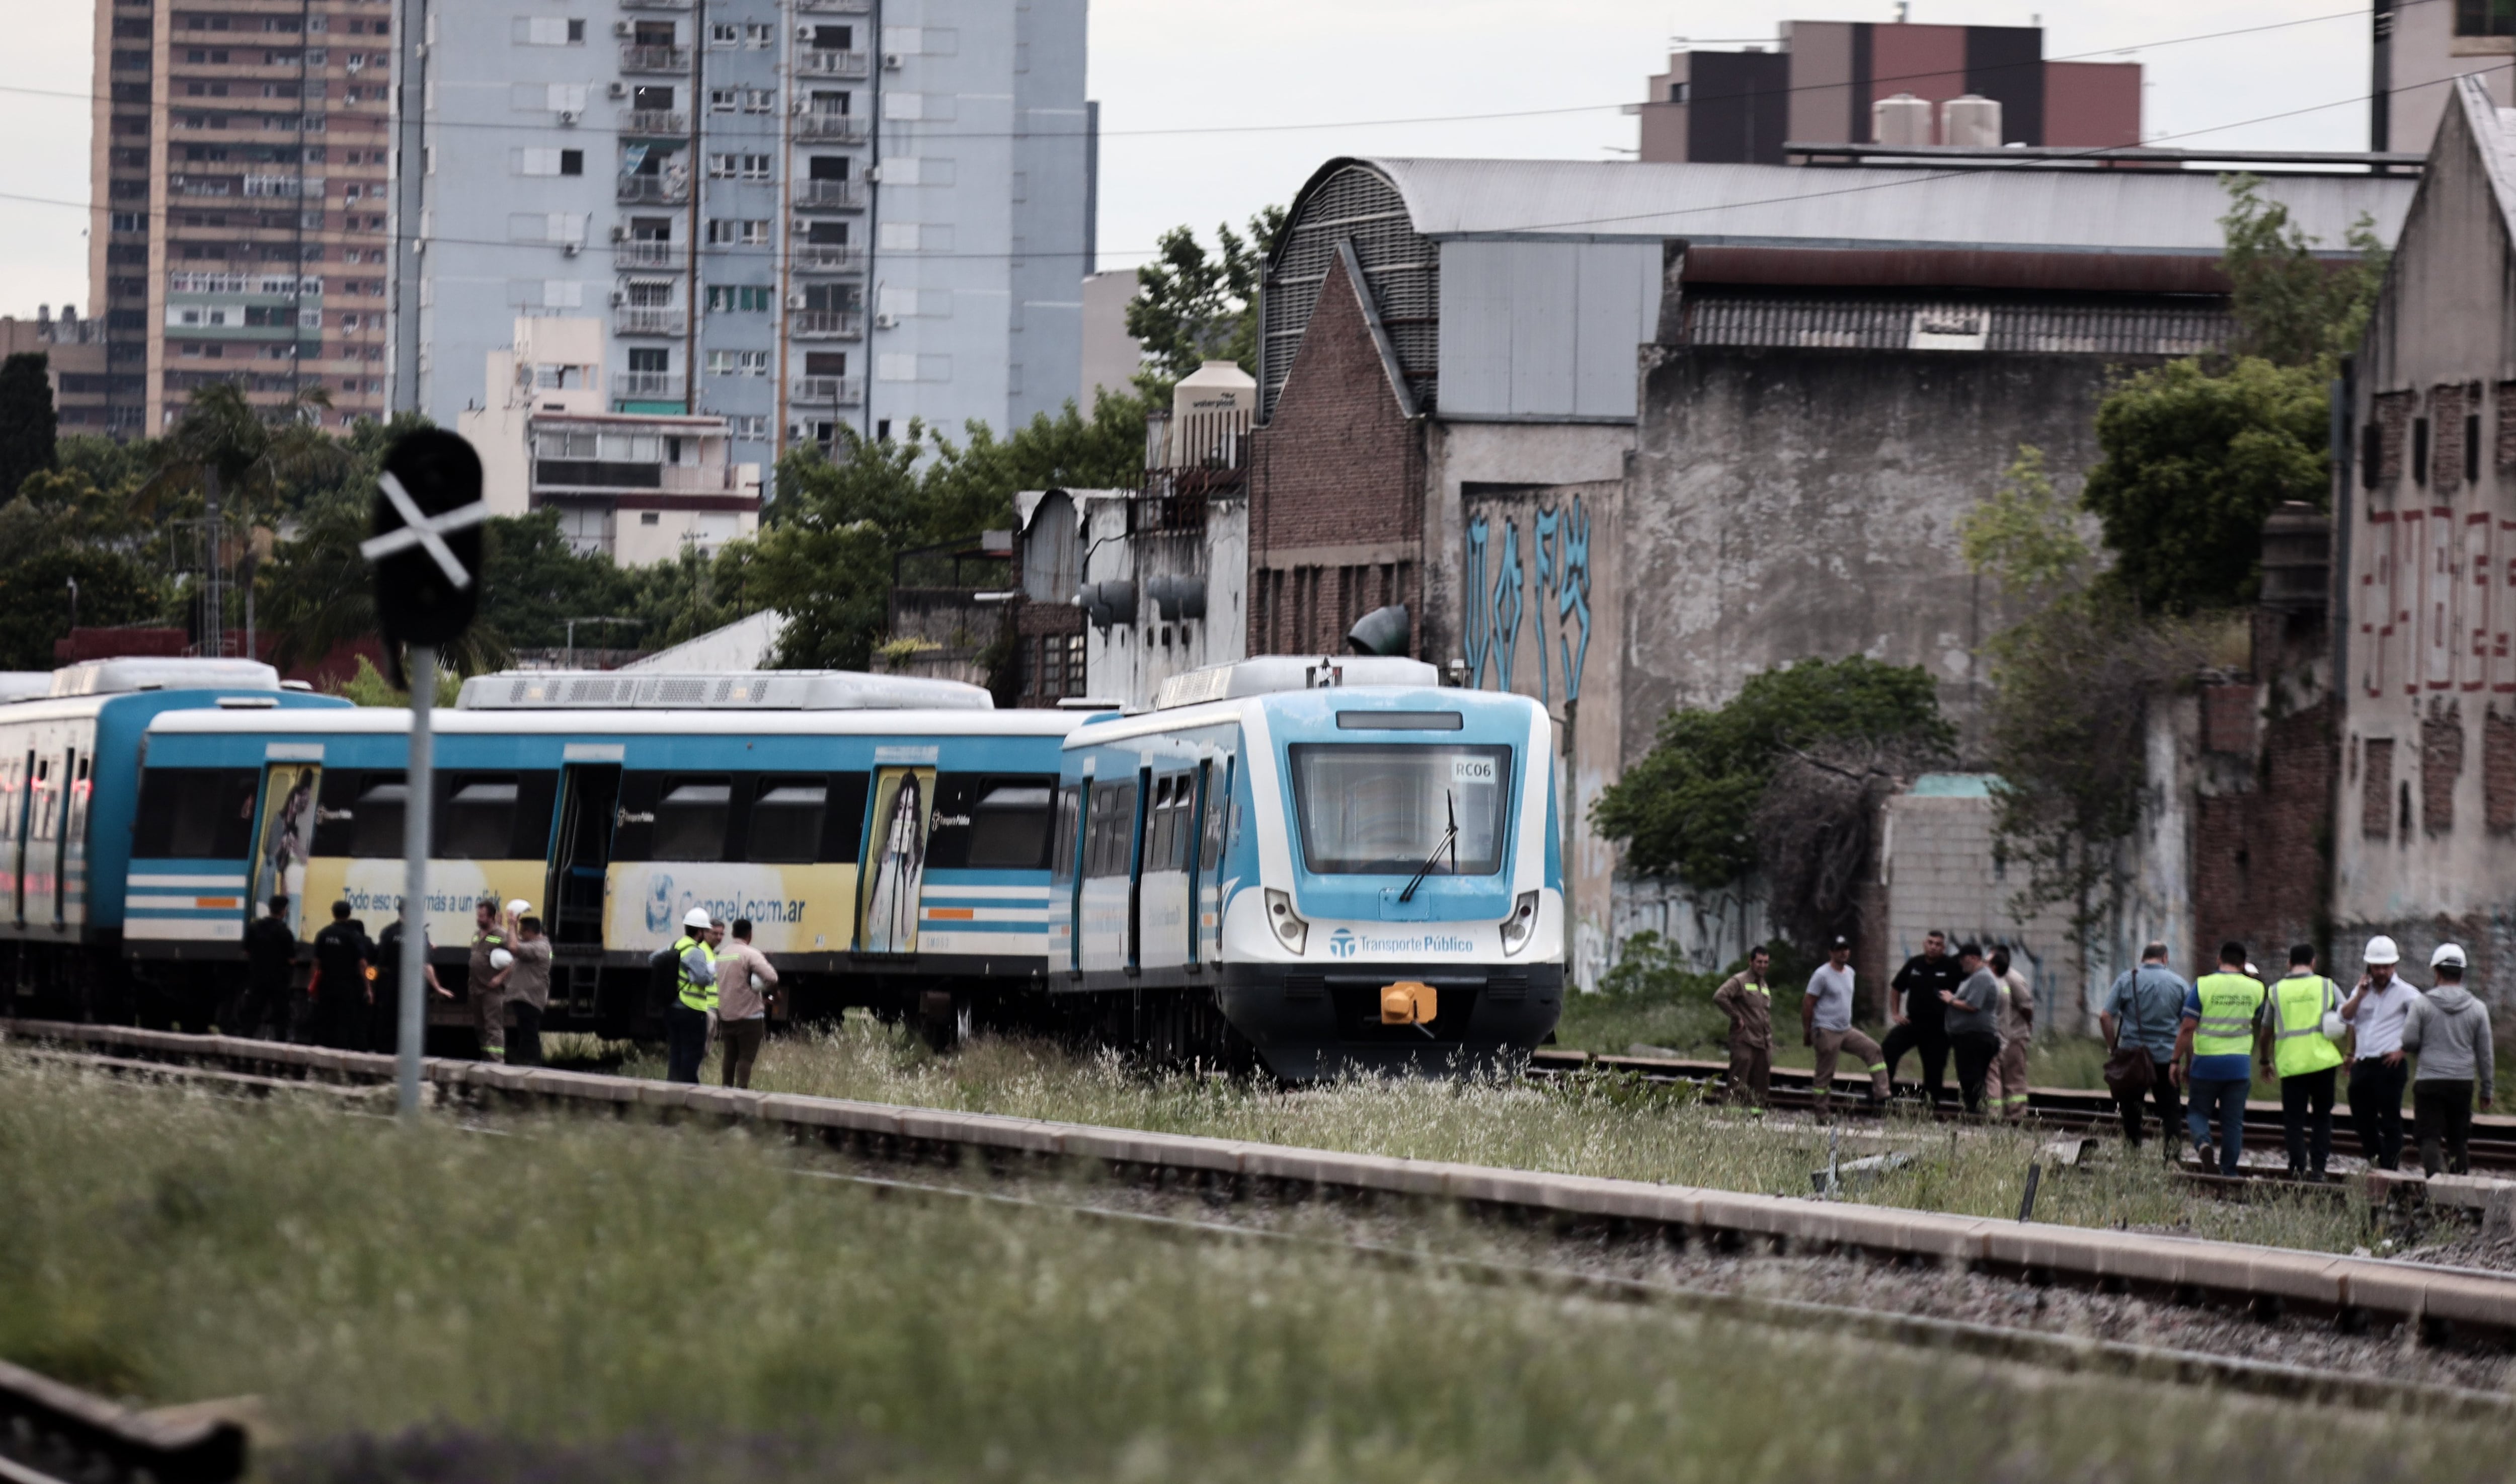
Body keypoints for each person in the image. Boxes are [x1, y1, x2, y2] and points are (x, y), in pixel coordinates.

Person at [2176, 942, 2266, 1176]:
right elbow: (2256, 1016)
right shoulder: (2256, 989)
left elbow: (2187, 1027)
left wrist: (2177, 1060)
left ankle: (2204, 1144)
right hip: (2239, 1066)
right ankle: (2229, 1171)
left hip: (2206, 1063)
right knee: (2233, 1122)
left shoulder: (2203, 985)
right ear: (2243, 963)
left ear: (2219, 960)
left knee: (2197, 1113)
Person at [2404, 943, 2495, 1175]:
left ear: (2436, 972)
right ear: (2462, 973)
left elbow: (2408, 1041)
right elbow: (2485, 1053)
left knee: (2428, 1136)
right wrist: (2487, 1089)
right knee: (2458, 1139)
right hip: (2462, 1082)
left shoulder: (2422, 1004)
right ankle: (2459, 1195)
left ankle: (2436, 1187)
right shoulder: (2478, 1008)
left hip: (2429, 1081)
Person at [2259, 944, 2345, 1180]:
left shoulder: (2276, 991)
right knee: (2322, 1117)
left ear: (2289, 963)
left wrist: (2265, 1060)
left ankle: (2297, 1168)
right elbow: (2347, 1016)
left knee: (2294, 1120)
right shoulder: (2327, 986)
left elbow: (2266, 1031)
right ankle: (2318, 1169)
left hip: (2292, 1064)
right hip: (2323, 1063)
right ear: (2313, 962)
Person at [2339, 934, 2417, 1170]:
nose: (2381, 972)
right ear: (2369, 967)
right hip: (2363, 1063)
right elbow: (2345, 1016)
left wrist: (2403, 1051)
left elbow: (2423, 1023)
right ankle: (2377, 1161)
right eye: (2377, 967)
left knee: (2391, 1121)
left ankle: (2389, 1170)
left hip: (2389, 1064)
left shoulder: (2407, 993)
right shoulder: (2361, 990)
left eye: (2386, 967)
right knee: (2362, 1119)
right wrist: (2360, 996)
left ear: (2394, 966)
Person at [2100, 943, 2187, 1154]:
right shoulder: (2180, 984)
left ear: (2143, 958)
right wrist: (2188, 1061)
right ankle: (2172, 1160)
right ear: (2165, 958)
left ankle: (2132, 1159)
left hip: (2133, 1059)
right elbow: (2188, 1027)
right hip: (2167, 1059)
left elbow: (2105, 1016)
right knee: (2171, 1113)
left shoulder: (2126, 980)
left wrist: (2114, 1048)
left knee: (2131, 1114)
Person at [1802, 935, 1889, 1114]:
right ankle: (1821, 1111)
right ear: (1831, 952)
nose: (1844, 953)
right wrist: (1808, 1030)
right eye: (1839, 949)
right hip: (1825, 1029)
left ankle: (1882, 1093)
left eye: (1846, 949)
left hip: (1846, 1029)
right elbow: (1808, 1002)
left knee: (1874, 1050)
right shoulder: (1822, 975)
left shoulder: (1850, 972)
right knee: (1826, 1072)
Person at [1882, 930, 1962, 1109]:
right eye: (1931, 943)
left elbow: (1965, 992)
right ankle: (1882, 1093)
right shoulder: (1915, 964)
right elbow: (1896, 988)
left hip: (1939, 1028)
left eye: (1938, 944)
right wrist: (1895, 1013)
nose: (1933, 947)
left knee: (1934, 1067)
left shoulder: (1951, 967)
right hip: (1913, 1022)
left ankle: (1930, 1105)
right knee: (1888, 1049)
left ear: (1944, 948)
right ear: (1924, 944)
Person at [372, 898, 452, 1055]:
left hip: (390, 986)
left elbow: (379, 963)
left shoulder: (388, 932)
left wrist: (373, 985)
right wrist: (437, 987)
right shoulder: (418, 934)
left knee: (388, 1024)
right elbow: (425, 965)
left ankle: (385, 1060)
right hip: (412, 988)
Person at [713, 917, 781, 1089]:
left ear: (733, 933)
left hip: (727, 1016)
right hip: (749, 1018)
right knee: (746, 1057)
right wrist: (775, 995)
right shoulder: (750, 954)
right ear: (749, 935)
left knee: (729, 1056)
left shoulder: (722, 955)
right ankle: (741, 1092)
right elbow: (772, 978)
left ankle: (726, 1090)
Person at [1941, 943, 2004, 1116]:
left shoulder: (1981, 977)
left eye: (1962, 960)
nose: (1961, 964)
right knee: (1973, 1076)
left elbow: (1973, 1006)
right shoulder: (1975, 977)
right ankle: (1975, 1109)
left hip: (1975, 1037)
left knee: (1971, 1077)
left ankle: (1976, 1111)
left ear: (1973, 958)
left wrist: (1950, 1000)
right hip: (1969, 1037)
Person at [1711, 946, 1776, 1108]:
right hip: (1744, 1039)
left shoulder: (1764, 985)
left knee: (1761, 1082)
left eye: (1766, 962)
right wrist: (1736, 1016)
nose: (1763, 965)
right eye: (1759, 962)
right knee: (1739, 1080)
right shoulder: (1740, 980)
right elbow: (1720, 996)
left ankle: (1756, 1116)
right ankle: (1731, 1115)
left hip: (1763, 1041)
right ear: (1751, 962)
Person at [308, 900, 374, 1051]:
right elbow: (363, 964)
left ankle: (323, 1058)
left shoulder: (324, 934)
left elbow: (316, 963)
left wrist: (313, 985)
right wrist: (368, 988)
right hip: (347, 988)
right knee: (344, 1023)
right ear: (349, 914)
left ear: (333, 913)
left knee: (325, 1021)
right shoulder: (354, 936)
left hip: (326, 986)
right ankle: (339, 1057)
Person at [230, 895, 298, 1040]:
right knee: (281, 1016)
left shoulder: (255, 927)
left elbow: (246, 951)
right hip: (279, 981)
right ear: (284, 911)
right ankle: (281, 1046)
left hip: (257, 978)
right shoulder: (285, 932)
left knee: (252, 1014)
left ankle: (244, 1043)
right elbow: (292, 959)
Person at [664, 906, 718, 1084]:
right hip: (692, 1009)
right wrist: (711, 976)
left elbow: (654, 959)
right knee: (692, 1052)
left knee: (677, 1051)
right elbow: (703, 979)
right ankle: (688, 1090)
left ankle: (673, 1086)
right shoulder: (695, 952)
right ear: (700, 932)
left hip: (673, 1007)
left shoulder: (676, 945)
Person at [493, 913, 554, 1068]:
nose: (520, 935)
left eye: (522, 932)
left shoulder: (539, 947)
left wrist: (512, 925)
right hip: (525, 997)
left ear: (530, 932)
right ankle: (526, 1062)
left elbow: (514, 947)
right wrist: (500, 928)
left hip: (530, 998)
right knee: (525, 1032)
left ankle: (534, 1065)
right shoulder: (533, 944)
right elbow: (511, 942)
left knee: (529, 1034)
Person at [1983, 945, 2033, 1122]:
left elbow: (2026, 1007)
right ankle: (2004, 1113)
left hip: (2015, 1034)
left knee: (2014, 1076)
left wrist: (2027, 1026)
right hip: (2002, 1034)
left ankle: (2017, 1114)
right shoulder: (1995, 978)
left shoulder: (2013, 979)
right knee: (1999, 1077)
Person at [466, 899, 511, 1062]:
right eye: (478, 916)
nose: (479, 919)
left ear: (492, 917)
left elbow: (515, 960)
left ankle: (497, 1061)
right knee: (480, 1027)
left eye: (483, 916)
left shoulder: (501, 935)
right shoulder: (477, 935)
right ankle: (486, 1057)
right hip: (475, 988)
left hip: (491, 990)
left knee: (493, 1026)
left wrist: (500, 978)